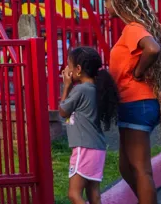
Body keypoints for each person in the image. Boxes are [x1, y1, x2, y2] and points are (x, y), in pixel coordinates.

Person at [105, 0, 161, 203]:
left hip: (137, 102)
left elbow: (153, 49)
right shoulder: (134, 28)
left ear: (119, 1)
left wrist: (139, 72)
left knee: (141, 169)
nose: (105, 5)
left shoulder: (133, 28)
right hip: (132, 103)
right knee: (126, 166)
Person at [60, 46, 119, 204]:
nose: (66, 69)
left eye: (69, 66)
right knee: (94, 195)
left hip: (83, 148)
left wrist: (66, 85)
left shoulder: (81, 89)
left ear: (78, 69)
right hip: (96, 148)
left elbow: (63, 111)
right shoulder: (94, 88)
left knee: (74, 194)